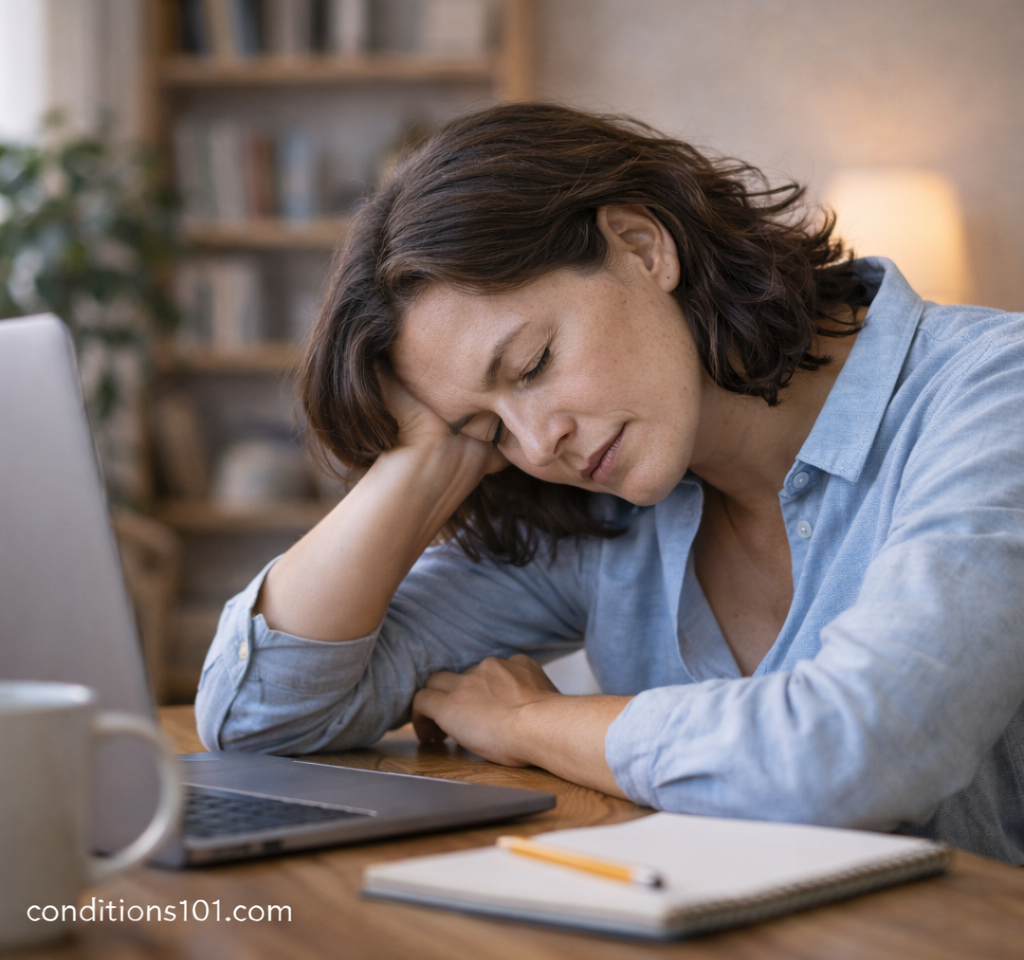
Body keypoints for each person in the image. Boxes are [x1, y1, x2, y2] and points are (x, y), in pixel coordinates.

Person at [196, 104, 1024, 864]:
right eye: (488, 430)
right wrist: (422, 459)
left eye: (532, 364)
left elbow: (853, 757)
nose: (536, 441)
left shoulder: (992, 395)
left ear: (640, 244)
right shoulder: (601, 509)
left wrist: (528, 721)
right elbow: (262, 719)